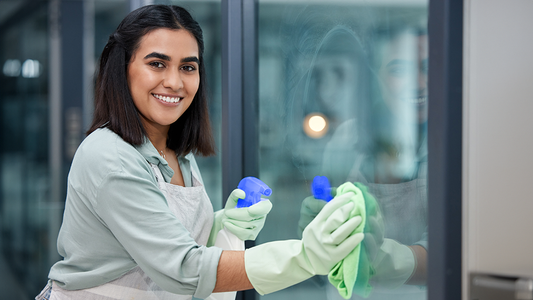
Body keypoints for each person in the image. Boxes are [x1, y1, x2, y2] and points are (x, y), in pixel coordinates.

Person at [35, 5, 365, 300]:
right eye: (157, 63)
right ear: (123, 69)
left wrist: (221, 223)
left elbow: (163, 237)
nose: (175, 82)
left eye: (188, 67)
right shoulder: (109, 157)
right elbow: (184, 268)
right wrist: (304, 257)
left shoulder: (176, 151)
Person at [299, 22, 429, 300]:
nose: (419, 82)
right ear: (377, 76)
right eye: (399, 70)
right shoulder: (348, 139)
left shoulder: (461, 146)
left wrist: (390, 262)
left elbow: (459, 251)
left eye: (429, 67)